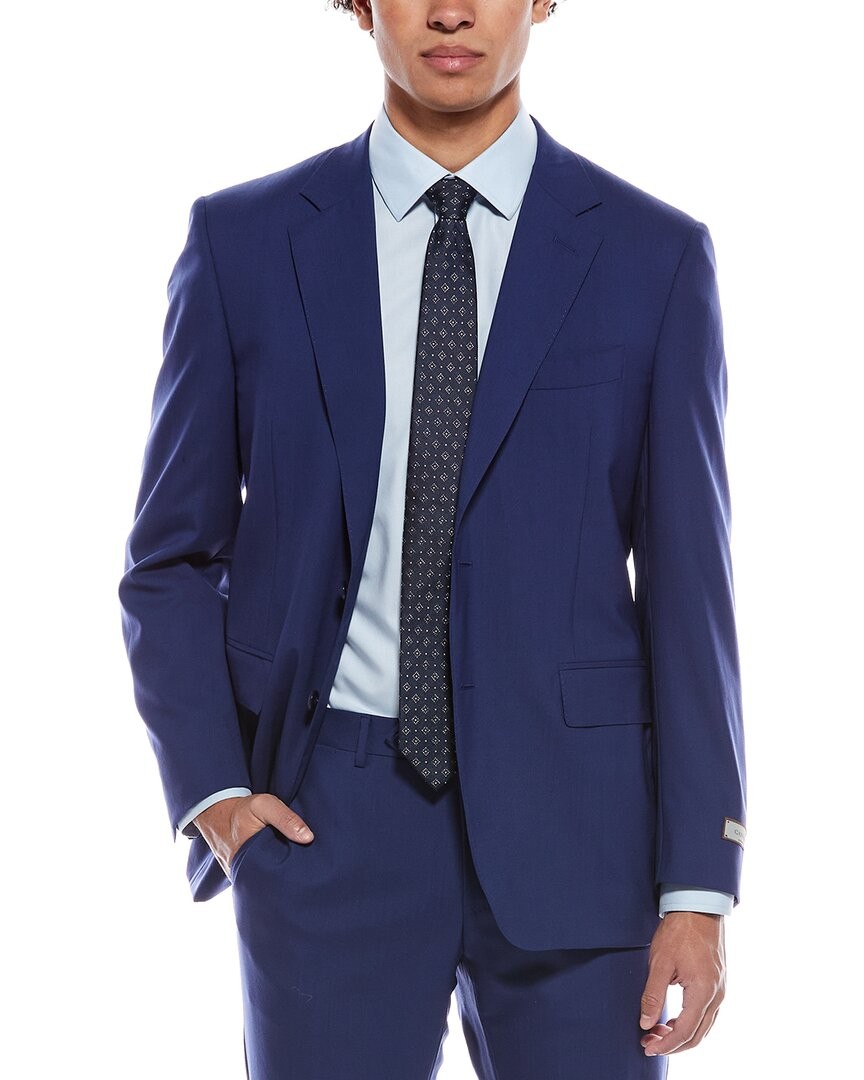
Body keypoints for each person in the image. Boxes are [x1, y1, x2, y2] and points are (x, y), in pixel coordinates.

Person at [119, 1, 747, 1076]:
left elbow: (691, 590)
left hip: (581, 828)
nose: (450, 9)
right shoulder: (245, 243)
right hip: (326, 823)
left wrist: (699, 882)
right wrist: (215, 793)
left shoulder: (654, 256)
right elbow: (169, 559)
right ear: (359, 3)